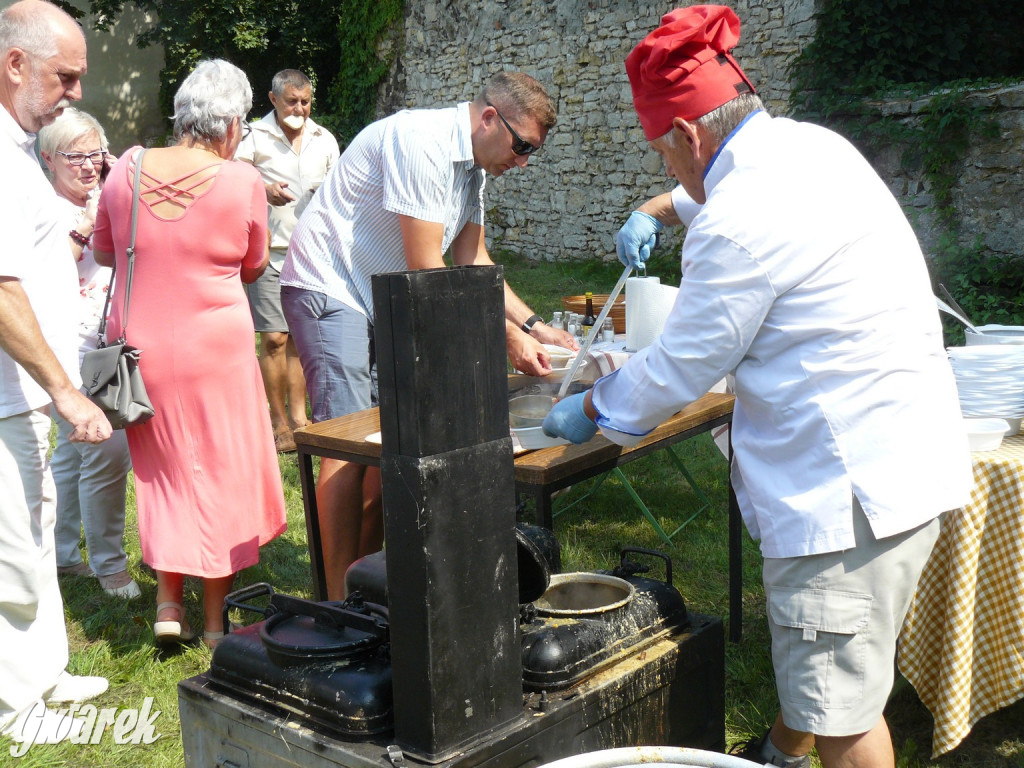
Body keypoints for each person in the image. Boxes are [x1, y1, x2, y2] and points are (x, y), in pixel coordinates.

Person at [542, 7, 972, 768]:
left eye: (662, 158)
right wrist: (657, 206)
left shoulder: (736, 223)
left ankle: (806, 743)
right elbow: (724, 187)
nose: (668, 173)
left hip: (843, 499)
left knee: (846, 714)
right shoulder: (814, 148)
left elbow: (681, 366)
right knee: (842, 670)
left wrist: (593, 407)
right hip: (909, 457)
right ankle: (780, 748)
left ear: (690, 136)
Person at [281, 71, 577, 598]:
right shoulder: (421, 142)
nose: (524, 160)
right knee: (347, 444)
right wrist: (505, 337)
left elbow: (472, 258)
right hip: (331, 285)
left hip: (384, 297)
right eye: (523, 145)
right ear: (490, 117)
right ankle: (336, 607)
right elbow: (427, 267)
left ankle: (367, 586)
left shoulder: (474, 169)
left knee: (385, 446)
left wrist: (535, 325)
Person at [93, 59, 287, 650]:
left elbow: (105, 252)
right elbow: (253, 264)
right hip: (217, 349)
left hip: (141, 347)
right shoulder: (243, 180)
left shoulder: (127, 167)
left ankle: (167, 604)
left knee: (165, 476)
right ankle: (212, 624)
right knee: (221, 473)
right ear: (230, 124)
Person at [0, 0, 112, 746]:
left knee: (36, 531)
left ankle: (45, 673)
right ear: (14, 65)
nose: (74, 91)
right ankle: (17, 708)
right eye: (64, 76)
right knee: (9, 549)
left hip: (23, 393)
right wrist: (68, 390)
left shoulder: (18, 147)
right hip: (8, 394)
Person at [38, 108, 139, 600]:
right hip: (66, 348)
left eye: (94, 154)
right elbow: (48, 274)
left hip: (110, 344)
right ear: (48, 160)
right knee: (105, 448)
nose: (86, 166)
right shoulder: (40, 208)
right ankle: (109, 565)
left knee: (73, 454)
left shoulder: (108, 196)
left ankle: (61, 552)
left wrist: (121, 186)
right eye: (73, 156)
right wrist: (83, 228)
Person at [235, 69, 339, 453]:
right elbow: (232, 177)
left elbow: (338, 188)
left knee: (299, 338)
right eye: (292, 101)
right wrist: (263, 190)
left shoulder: (323, 138)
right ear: (273, 99)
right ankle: (276, 422)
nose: (300, 108)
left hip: (312, 253)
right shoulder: (253, 137)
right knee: (274, 338)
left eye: (306, 101)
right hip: (269, 251)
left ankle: (299, 418)